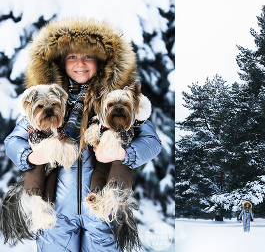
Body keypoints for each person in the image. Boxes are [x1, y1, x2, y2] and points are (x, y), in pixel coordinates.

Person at [4, 18, 162, 252]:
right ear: (60, 62)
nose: (80, 63)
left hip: (102, 209)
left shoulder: (117, 101)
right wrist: (30, 156)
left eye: (88, 56)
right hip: (55, 210)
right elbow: (13, 141)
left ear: (101, 62)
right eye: (72, 57)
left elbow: (152, 142)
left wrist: (123, 153)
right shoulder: (47, 100)